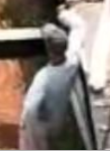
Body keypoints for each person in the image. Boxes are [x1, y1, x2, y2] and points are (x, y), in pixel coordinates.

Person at [19, 8, 88, 150]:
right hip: (58, 120)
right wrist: (64, 14)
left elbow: (30, 108)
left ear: (48, 50)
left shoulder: (43, 78)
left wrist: (24, 126)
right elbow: (79, 27)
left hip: (42, 124)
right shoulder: (72, 62)